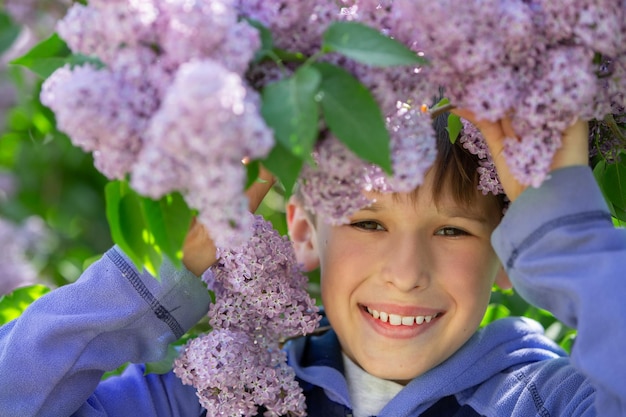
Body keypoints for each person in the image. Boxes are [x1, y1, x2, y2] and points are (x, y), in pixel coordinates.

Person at [0, 109, 624, 417]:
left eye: (453, 230)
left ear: (510, 248)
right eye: (368, 223)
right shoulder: (222, 398)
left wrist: (561, 228)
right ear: (302, 229)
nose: (406, 272)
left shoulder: (543, 404)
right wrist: (158, 272)